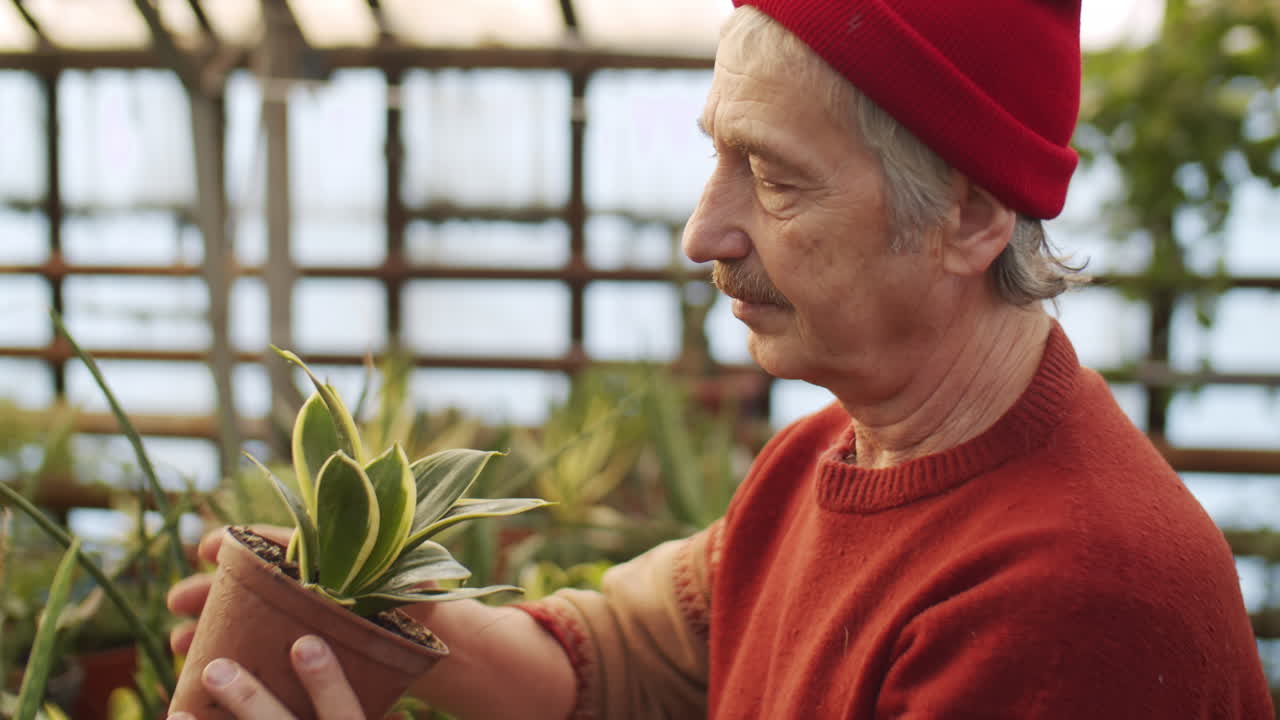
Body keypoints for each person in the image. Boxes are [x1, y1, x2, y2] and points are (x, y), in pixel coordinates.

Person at [166, 1, 1274, 718]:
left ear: (970, 218)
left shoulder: (1064, 598)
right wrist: (358, 607)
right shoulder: (824, 464)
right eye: (717, 157)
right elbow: (619, 662)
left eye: (774, 176)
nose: (704, 232)